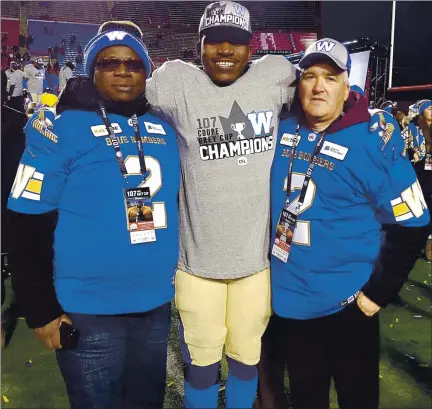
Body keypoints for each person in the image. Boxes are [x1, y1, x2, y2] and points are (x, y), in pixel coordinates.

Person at [146, 3, 390, 408]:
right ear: (199, 44)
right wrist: (74, 96)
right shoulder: (175, 82)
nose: (226, 49)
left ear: (251, 46)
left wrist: (365, 111)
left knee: (246, 365)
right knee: (203, 369)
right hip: (197, 267)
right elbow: (124, 89)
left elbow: (323, 88)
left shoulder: (274, 75)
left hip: (257, 267)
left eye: (237, 41)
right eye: (216, 40)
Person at [7, 21, 180, 409]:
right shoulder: (59, 128)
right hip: (87, 311)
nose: (122, 71)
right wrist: (41, 311)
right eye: (109, 63)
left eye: (133, 64)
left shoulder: (164, 128)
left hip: (154, 306)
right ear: (92, 70)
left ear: (147, 71)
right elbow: (25, 221)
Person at [269, 38, 430, 409]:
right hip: (290, 304)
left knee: (357, 400)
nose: (318, 86)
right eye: (310, 75)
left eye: (330, 76)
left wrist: (376, 295)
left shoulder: (373, 140)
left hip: (347, 307)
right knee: (307, 399)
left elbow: (413, 222)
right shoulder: (283, 128)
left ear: (346, 86)